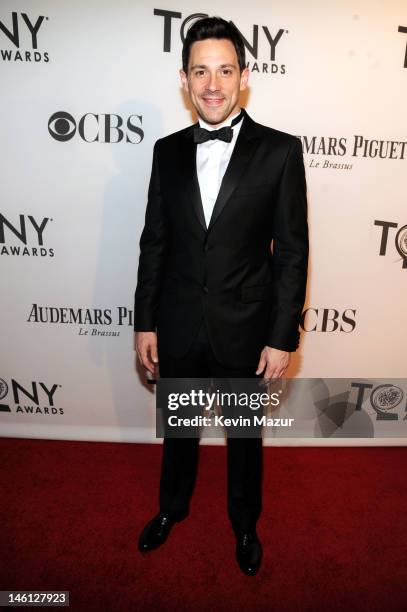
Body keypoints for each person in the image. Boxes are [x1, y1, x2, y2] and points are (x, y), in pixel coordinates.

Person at [134, 16, 308, 576]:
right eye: (201, 70)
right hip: (179, 323)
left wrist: (282, 337)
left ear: (245, 76)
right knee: (178, 430)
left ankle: (244, 522)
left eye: (225, 70)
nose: (213, 83)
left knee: (244, 438)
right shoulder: (165, 151)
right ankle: (171, 509)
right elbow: (154, 242)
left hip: (247, 329)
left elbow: (292, 254)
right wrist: (145, 323)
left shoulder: (281, 152)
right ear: (184, 78)